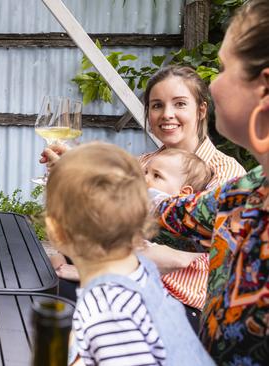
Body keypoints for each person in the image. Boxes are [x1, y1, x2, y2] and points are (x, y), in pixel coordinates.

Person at [47, 66, 246, 329]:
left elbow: (185, 254)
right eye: (156, 105)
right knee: (42, 284)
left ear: (200, 111)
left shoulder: (226, 173)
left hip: (182, 304)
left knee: (60, 304)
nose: (167, 114)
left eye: (180, 104)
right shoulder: (142, 164)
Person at [151, 1, 269, 363]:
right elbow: (168, 208)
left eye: (222, 68)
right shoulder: (248, 190)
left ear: (264, 89)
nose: (213, 83)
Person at [45, 142, 214, 365]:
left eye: (156, 175)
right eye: (144, 172)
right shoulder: (150, 217)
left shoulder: (184, 230)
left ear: (185, 194)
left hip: (184, 308)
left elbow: (166, 258)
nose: (145, 179)